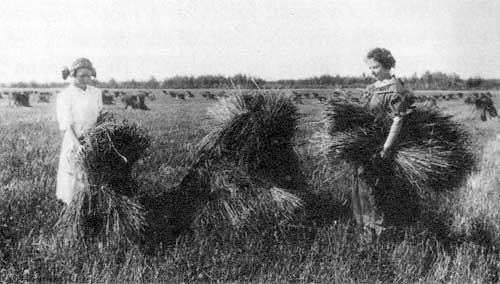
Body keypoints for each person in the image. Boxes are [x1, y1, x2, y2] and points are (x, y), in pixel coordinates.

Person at [352, 48, 417, 241]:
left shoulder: (396, 88)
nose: (372, 71)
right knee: (362, 187)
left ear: (387, 65)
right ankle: (365, 233)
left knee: (377, 190)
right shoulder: (373, 87)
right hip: (367, 145)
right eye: (370, 67)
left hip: (383, 147)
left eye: (376, 67)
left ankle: (380, 237)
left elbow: (398, 120)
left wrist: (386, 149)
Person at [56, 58, 103, 204]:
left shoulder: (96, 92)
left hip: (94, 136)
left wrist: (97, 137)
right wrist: (79, 145)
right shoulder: (65, 95)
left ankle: (92, 202)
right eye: (82, 75)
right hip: (74, 137)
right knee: (74, 170)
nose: (86, 79)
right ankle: (73, 205)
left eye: (89, 75)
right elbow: (67, 125)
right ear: (73, 75)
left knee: (93, 171)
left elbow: (100, 115)